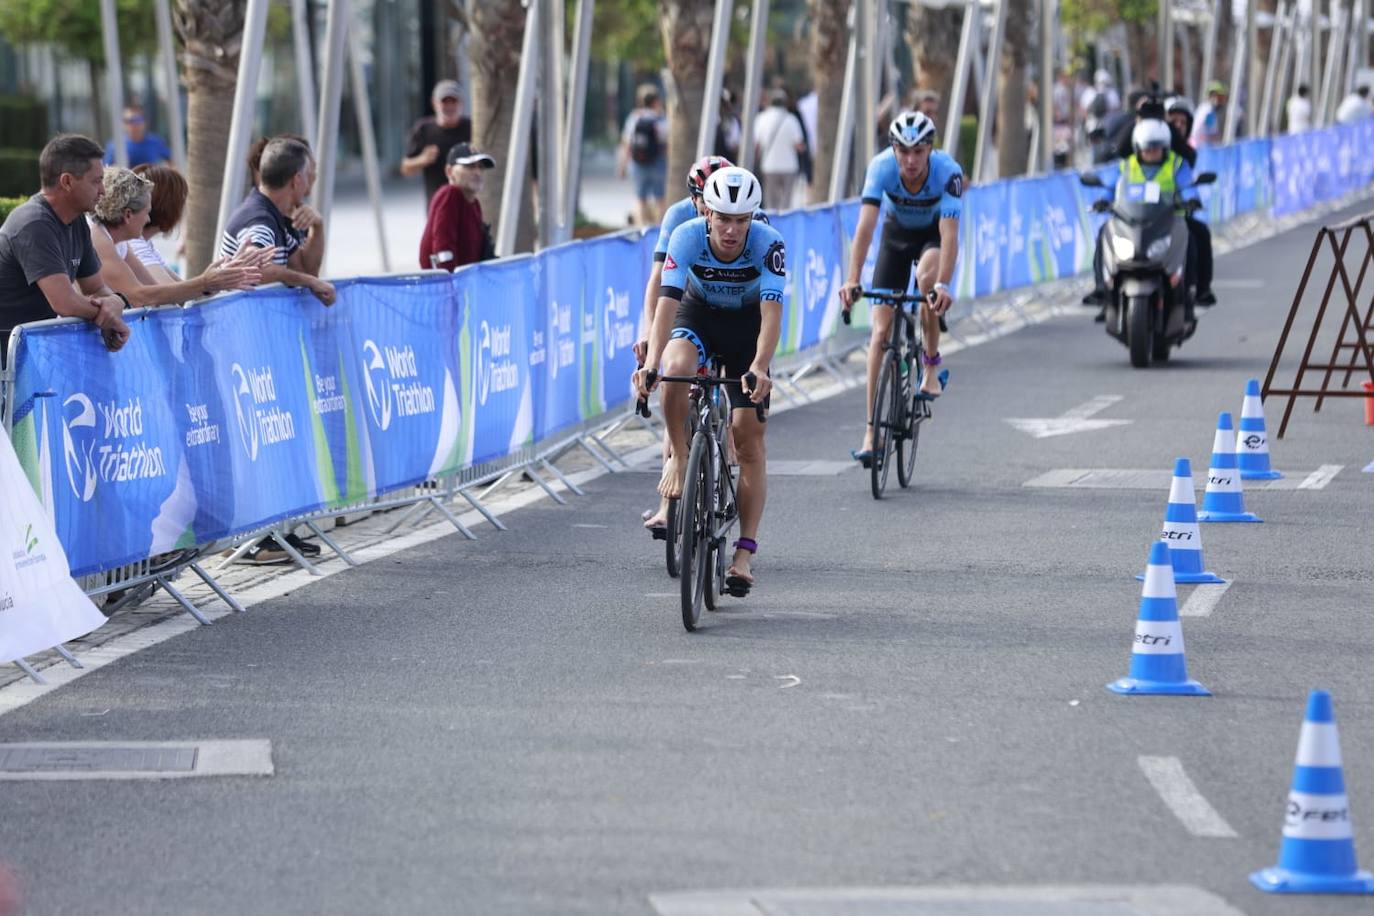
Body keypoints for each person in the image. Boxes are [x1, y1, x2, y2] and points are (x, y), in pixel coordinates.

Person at [631, 167, 783, 596]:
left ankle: (744, 555)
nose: (732, 230)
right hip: (698, 314)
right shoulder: (686, 236)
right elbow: (667, 306)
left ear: (753, 218)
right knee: (676, 369)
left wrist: (759, 366)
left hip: (746, 327)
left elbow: (771, 316)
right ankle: (680, 456)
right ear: (707, 213)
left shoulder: (769, 244)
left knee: (748, 438)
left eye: (741, 220)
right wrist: (653, 364)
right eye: (723, 218)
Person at [838, 110, 962, 464]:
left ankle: (931, 366)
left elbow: (950, 235)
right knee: (879, 333)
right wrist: (852, 278)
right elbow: (865, 228)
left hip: (931, 238)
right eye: (903, 151)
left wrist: (944, 284)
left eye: (918, 152)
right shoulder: (880, 168)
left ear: (930, 151)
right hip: (895, 237)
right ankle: (871, 431)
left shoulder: (948, 172)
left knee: (927, 281)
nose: (910, 160)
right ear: (893, 150)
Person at [0, 134, 130, 363]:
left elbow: (96, 286)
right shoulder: (34, 223)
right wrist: (110, 315)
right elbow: (65, 302)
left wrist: (116, 302)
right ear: (67, 181)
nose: (103, 191)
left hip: (29, 357)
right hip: (7, 362)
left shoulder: (76, 220)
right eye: (96, 181)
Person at [87, 166, 265, 306]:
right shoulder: (99, 239)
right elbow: (139, 296)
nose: (148, 218)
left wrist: (218, 280)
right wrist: (206, 283)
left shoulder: (121, 243)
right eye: (146, 212)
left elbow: (158, 291)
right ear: (127, 215)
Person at [1090, 119, 1202, 322]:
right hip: (1131, 223)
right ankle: (1102, 290)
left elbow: (1188, 187)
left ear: (1165, 148)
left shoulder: (1177, 164)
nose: (1151, 153)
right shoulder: (1126, 165)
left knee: (1191, 242)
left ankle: (1187, 297)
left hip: (1168, 223)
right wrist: (1102, 201)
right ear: (1137, 148)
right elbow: (1110, 188)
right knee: (1104, 233)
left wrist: (1192, 199)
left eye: (1156, 149)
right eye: (1147, 149)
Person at [218, 136, 335, 306]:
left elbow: (306, 270)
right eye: (309, 174)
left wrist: (317, 227)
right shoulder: (261, 221)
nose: (312, 180)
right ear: (297, 180)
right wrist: (309, 282)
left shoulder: (272, 216)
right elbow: (256, 270)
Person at [1164, 96, 1216, 306]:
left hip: (1174, 218)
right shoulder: (1140, 153)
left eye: (1182, 123)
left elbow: (1187, 185)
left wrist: (1190, 202)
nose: (1178, 127)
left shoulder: (1182, 157)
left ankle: (1199, 289)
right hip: (1143, 218)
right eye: (1173, 122)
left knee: (1199, 234)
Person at [418, 143, 497, 271]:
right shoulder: (450, 195)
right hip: (449, 285)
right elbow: (443, 248)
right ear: (449, 171)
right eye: (470, 166)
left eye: (481, 167)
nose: (477, 172)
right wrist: (451, 284)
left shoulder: (474, 203)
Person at [400, 80, 473, 207]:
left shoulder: (472, 128)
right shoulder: (424, 129)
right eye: (445, 102)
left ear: (461, 104)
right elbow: (405, 168)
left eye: (454, 102)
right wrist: (422, 159)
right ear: (435, 103)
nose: (449, 107)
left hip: (467, 204)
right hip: (437, 205)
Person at [617, 84, 669, 227]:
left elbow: (627, 143)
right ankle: (660, 229)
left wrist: (622, 166)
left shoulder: (634, 118)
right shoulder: (660, 119)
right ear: (656, 101)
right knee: (660, 199)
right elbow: (666, 141)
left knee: (640, 199)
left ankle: (641, 229)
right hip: (658, 162)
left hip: (638, 163)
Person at [753, 89, 807, 211]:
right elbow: (799, 145)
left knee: (771, 201)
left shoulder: (761, 119)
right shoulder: (791, 119)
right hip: (789, 166)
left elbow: (756, 144)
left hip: (769, 165)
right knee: (786, 202)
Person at [103, 103, 172, 168]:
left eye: (138, 120)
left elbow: (172, 162)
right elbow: (106, 170)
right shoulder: (115, 145)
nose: (134, 125)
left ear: (145, 122)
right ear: (123, 124)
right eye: (130, 121)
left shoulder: (155, 142)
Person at [1190, 82, 1227, 147]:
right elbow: (1212, 135)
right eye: (1220, 98)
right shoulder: (1209, 112)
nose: (1222, 102)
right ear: (1213, 96)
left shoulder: (1203, 107)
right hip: (1202, 148)